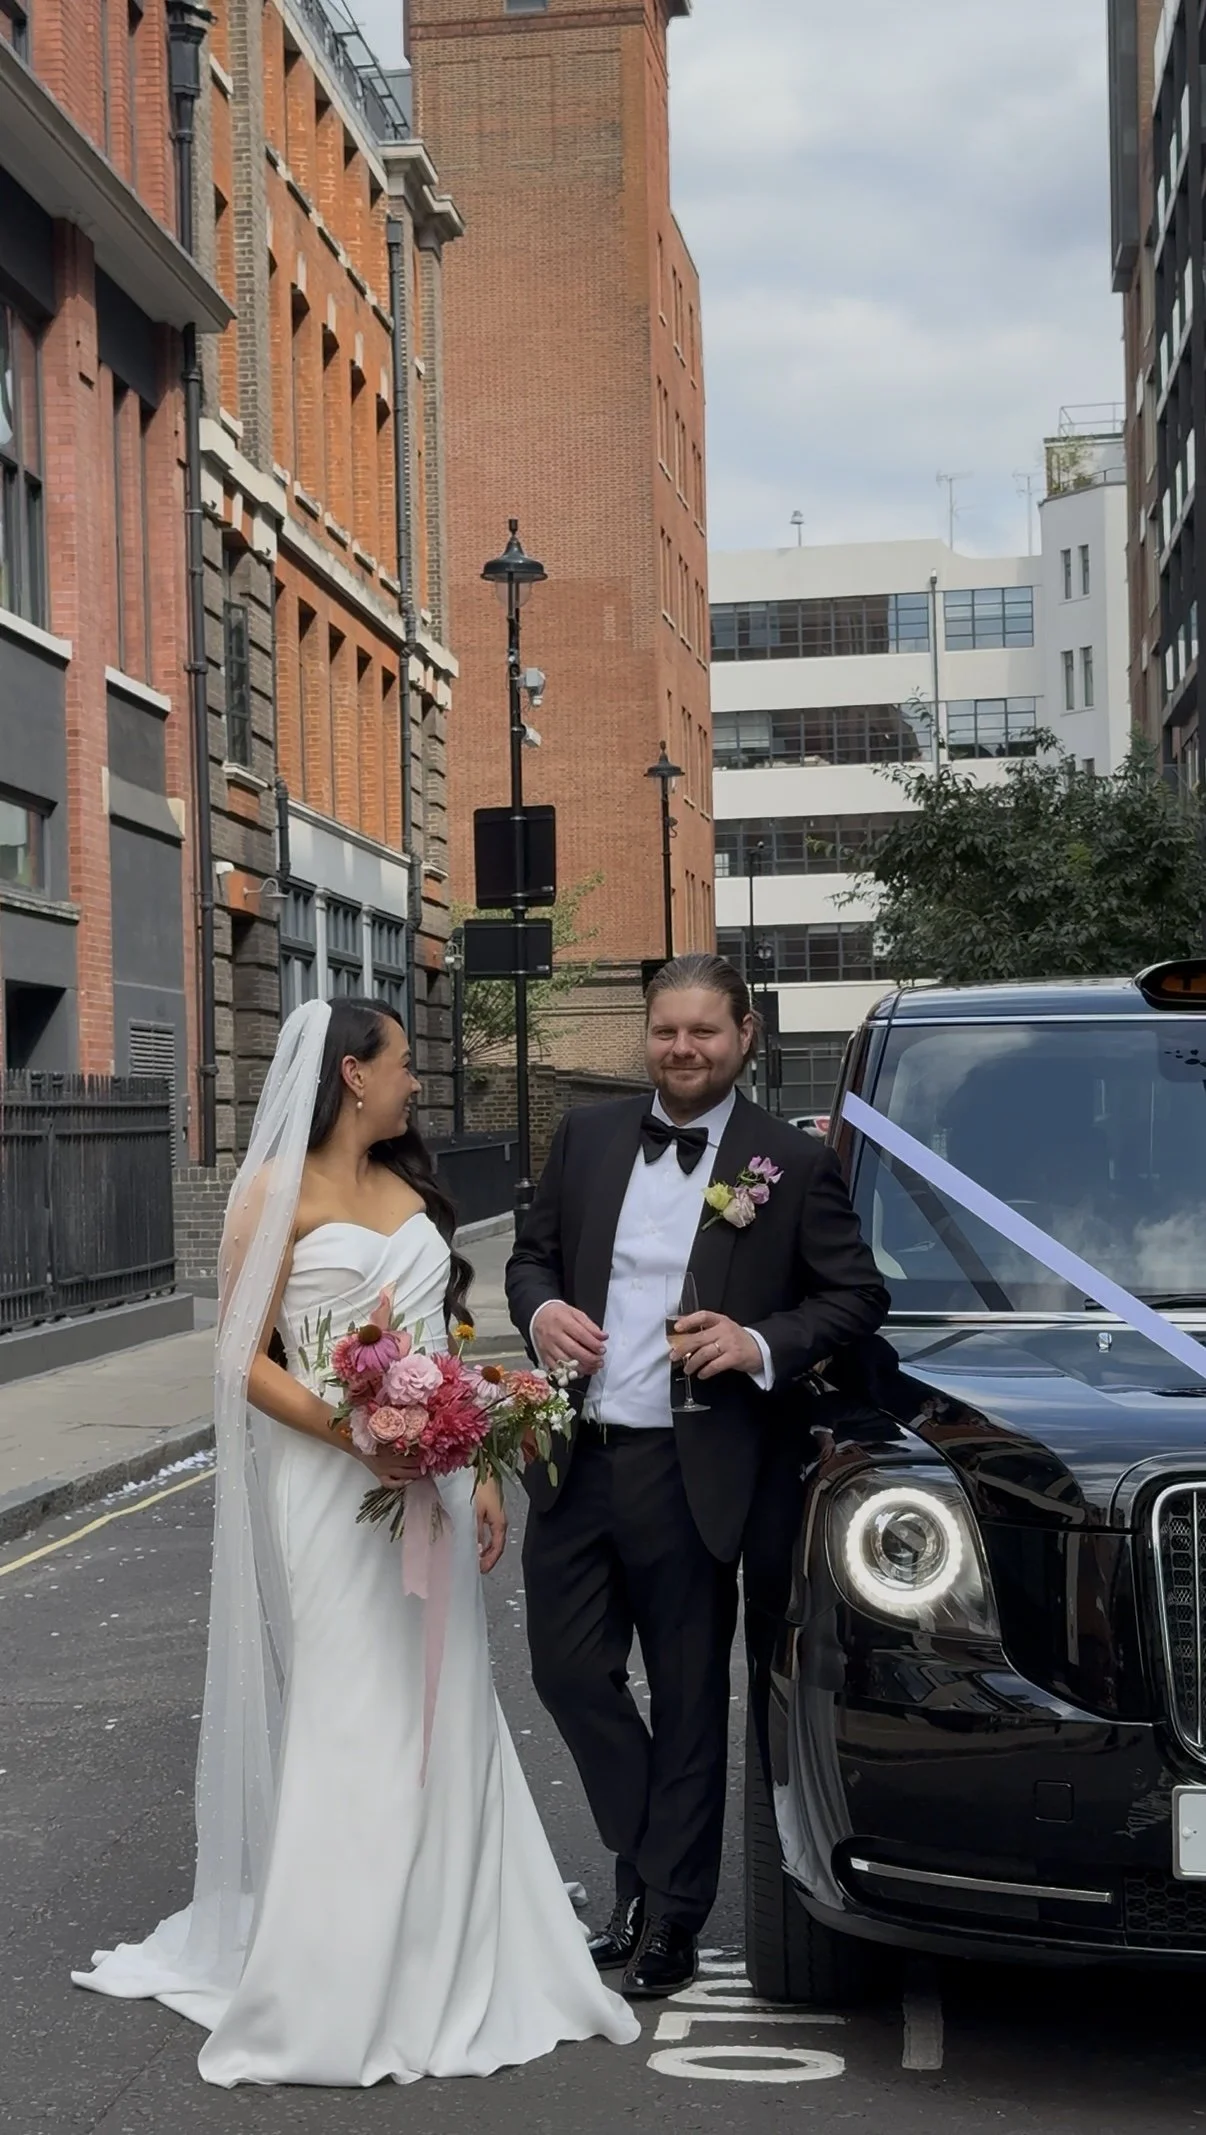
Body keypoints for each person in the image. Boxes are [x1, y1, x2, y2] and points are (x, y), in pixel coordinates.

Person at [73, 997, 639, 2086]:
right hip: (331, 1486)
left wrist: (472, 1466)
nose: (417, 1083)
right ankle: (338, 1966)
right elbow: (243, 1357)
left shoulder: (408, 1187)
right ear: (351, 1074)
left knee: (446, 1701)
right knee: (353, 1702)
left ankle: (454, 1933)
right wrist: (356, 1428)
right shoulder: (268, 1196)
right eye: (403, 1067)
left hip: (425, 1478)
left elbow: (436, 1344)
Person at [507, 953, 888, 1998]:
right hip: (579, 1458)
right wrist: (539, 1310)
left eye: (704, 1033)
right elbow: (529, 1257)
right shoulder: (587, 1137)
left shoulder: (791, 1163)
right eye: (666, 1031)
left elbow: (855, 1298)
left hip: (700, 1468)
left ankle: (666, 1915)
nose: (682, 1049)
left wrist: (759, 1340)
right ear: (648, 1031)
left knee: (686, 1700)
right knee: (567, 1671)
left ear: (745, 1034)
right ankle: (656, 1866)